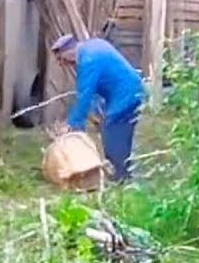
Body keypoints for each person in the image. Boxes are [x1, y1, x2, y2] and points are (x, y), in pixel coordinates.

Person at [51, 34, 144, 181]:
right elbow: (95, 91)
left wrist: (72, 125)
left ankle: (119, 177)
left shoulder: (88, 61)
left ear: (69, 52)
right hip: (133, 90)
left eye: (62, 59)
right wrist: (96, 111)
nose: (64, 64)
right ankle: (125, 172)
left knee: (112, 132)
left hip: (126, 95)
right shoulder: (92, 47)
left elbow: (84, 96)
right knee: (123, 133)